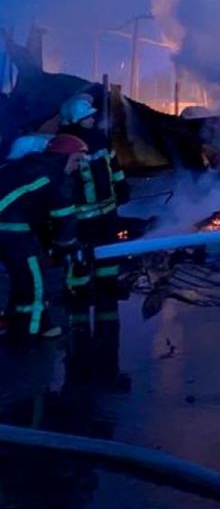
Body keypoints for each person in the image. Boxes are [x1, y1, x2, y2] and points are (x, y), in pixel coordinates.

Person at [0, 134, 83, 339]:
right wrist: (65, 245)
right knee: (33, 279)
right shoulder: (55, 177)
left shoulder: (29, 166)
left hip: (10, 228)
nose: (78, 166)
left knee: (19, 277)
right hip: (12, 231)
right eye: (76, 160)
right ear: (64, 157)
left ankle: (14, 321)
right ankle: (32, 330)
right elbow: (64, 219)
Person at [58, 94, 129, 299]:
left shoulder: (100, 139)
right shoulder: (64, 145)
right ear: (74, 120)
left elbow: (113, 166)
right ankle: (78, 291)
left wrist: (121, 186)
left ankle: (108, 285)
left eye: (91, 116)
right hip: (80, 213)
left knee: (108, 249)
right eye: (86, 117)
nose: (92, 119)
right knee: (80, 253)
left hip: (107, 207)